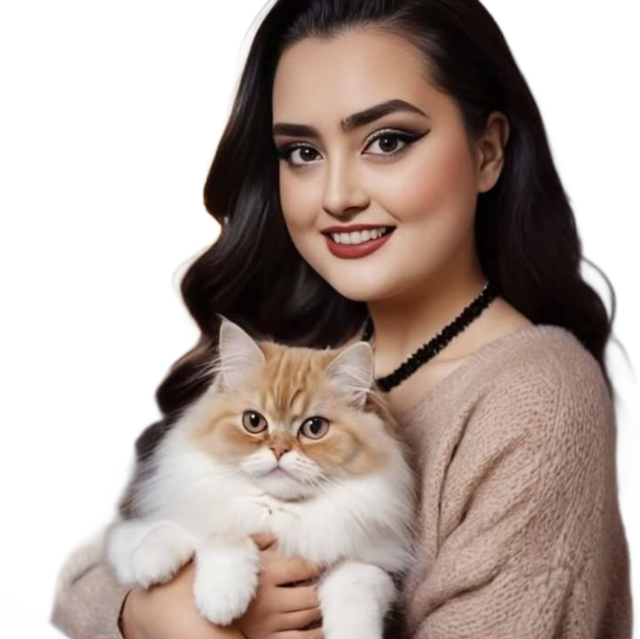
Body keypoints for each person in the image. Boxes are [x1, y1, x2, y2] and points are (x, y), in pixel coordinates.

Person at [50, 0, 633, 638]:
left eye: (387, 141)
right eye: (302, 152)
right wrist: (145, 612)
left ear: (488, 151)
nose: (337, 197)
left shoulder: (538, 401)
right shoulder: (305, 346)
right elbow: (80, 583)